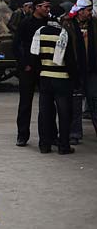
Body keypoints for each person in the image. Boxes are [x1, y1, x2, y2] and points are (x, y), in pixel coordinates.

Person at [31, 15, 77, 154]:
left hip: (45, 79)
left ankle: (44, 145)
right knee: (64, 114)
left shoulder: (40, 32)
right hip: (62, 79)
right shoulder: (64, 34)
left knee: (44, 113)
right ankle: (63, 146)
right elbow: (69, 60)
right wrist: (75, 79)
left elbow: (34, 56)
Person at [14, 0, 51, 147]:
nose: (47, 10)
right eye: (45, 7)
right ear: (37, 7)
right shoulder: (25, 23)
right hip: (28, 68)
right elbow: (16, 45)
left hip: (46, 66)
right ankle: (22, 135)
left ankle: (49, 136)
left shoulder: (50, 23)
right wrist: (24, 64)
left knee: (48, 103)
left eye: (49, 7)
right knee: (25, 103)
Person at [64, 0, 97, 143]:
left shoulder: (94, 25)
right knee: (75, 103)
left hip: (91, 70)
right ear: (80, 11)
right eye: (88, 11)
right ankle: (74, 134)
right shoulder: (68, 25)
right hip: (75, 70)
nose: (90, 13)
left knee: (94, 101)